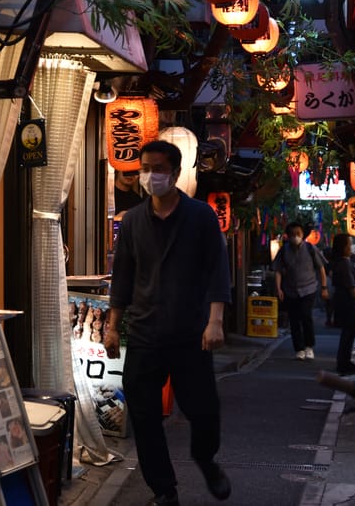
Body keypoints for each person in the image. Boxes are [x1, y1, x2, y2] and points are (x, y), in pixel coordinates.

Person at [104, 140, 232, 506]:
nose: (150, 175)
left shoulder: (201, 217)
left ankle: (206, 460)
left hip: (191, 332)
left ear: (175, 174)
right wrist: (114, 326)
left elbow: (217, 270)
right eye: (145, 168)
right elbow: (123, 277)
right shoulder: (132, 223)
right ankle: (164, 489)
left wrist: (216, 320)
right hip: (145, 333)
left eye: (158, 169)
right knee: (143, 415)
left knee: (203, 409)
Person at [273, 221, 328, 360]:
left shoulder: (310, 248)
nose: (295, 237)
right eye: (292, 234)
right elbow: (278, 270)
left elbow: (321, 268)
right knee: (294, 320)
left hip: (308, 288)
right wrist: (278, 288)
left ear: (303, 235)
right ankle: (299, 348)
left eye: (298, 234)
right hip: (290, 290)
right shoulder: (284, 250)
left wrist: (324, 287)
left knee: (306, 316)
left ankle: (309, 346)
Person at [330, 233, 355, 375]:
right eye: (349, 244)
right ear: (343, 247)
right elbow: (351, 285)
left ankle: (344, 363)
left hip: (344, 302)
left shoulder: (343, 261)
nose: (352, 246)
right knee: (348, 334)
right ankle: (343, 365)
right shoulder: (344, 263)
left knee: (348, 334)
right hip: (348, 304)